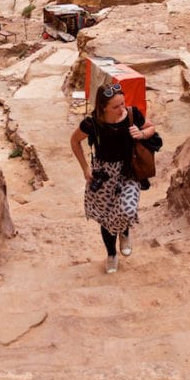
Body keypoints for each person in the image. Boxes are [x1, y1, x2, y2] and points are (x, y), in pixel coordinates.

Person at [70, 82, 157, 274]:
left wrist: (142, 133)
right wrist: (85, 168)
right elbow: (74, 141)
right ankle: (111, 255)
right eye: (115, 107)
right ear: (103, 108)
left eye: (122, 104)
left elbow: (151, 128)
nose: (121, 109)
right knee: (106, 218)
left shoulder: (132, 114)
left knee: (126, 209)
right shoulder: (92, 123)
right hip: (103, 174)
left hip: (128, 172)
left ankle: (124, 232)